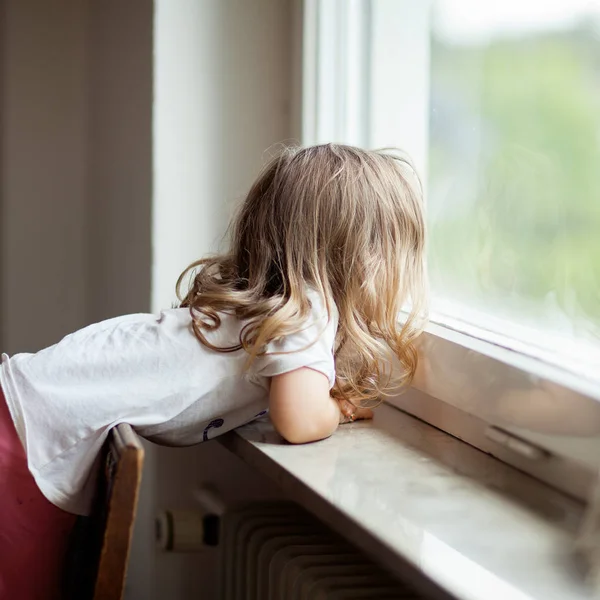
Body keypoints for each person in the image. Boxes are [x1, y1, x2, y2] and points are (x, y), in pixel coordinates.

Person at [0, 143, 427, 599]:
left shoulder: (268, 311)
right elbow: (298, 421)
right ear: (361, 254)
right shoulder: (306, 312)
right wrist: (338, 408)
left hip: (25, 413)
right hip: (24, 439)